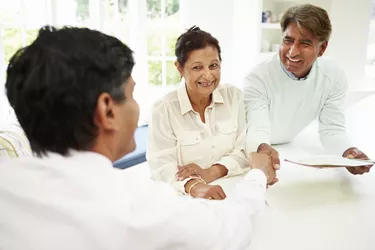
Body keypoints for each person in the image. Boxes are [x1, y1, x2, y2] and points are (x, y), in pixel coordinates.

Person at [0, 26, 277, 250]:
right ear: (107, 110)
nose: (136, 107)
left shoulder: (7, 184)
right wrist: (258, 175)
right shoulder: (136, 208)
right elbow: (232, 228)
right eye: (132, 94)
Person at [147, 26, 275, 200]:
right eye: (197, 67)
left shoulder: (233, 97)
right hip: (183, 199)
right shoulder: (164, 109)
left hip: (233, 190)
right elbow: (160, 166)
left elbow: (244, 151)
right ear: (179, 68)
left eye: (213, 65)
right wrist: (195, 186)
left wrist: (209, 173)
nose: (208, 76)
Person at [243, 4, 372, 175]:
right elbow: (256, 127)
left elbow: (332, 129)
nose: (292, 52)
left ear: (322, 48)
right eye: (288, 40)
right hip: (246, 147)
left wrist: (348, 152)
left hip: (286, 146)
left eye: (304, 43)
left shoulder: (333, 76)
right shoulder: (259, 76)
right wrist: (262, 147)